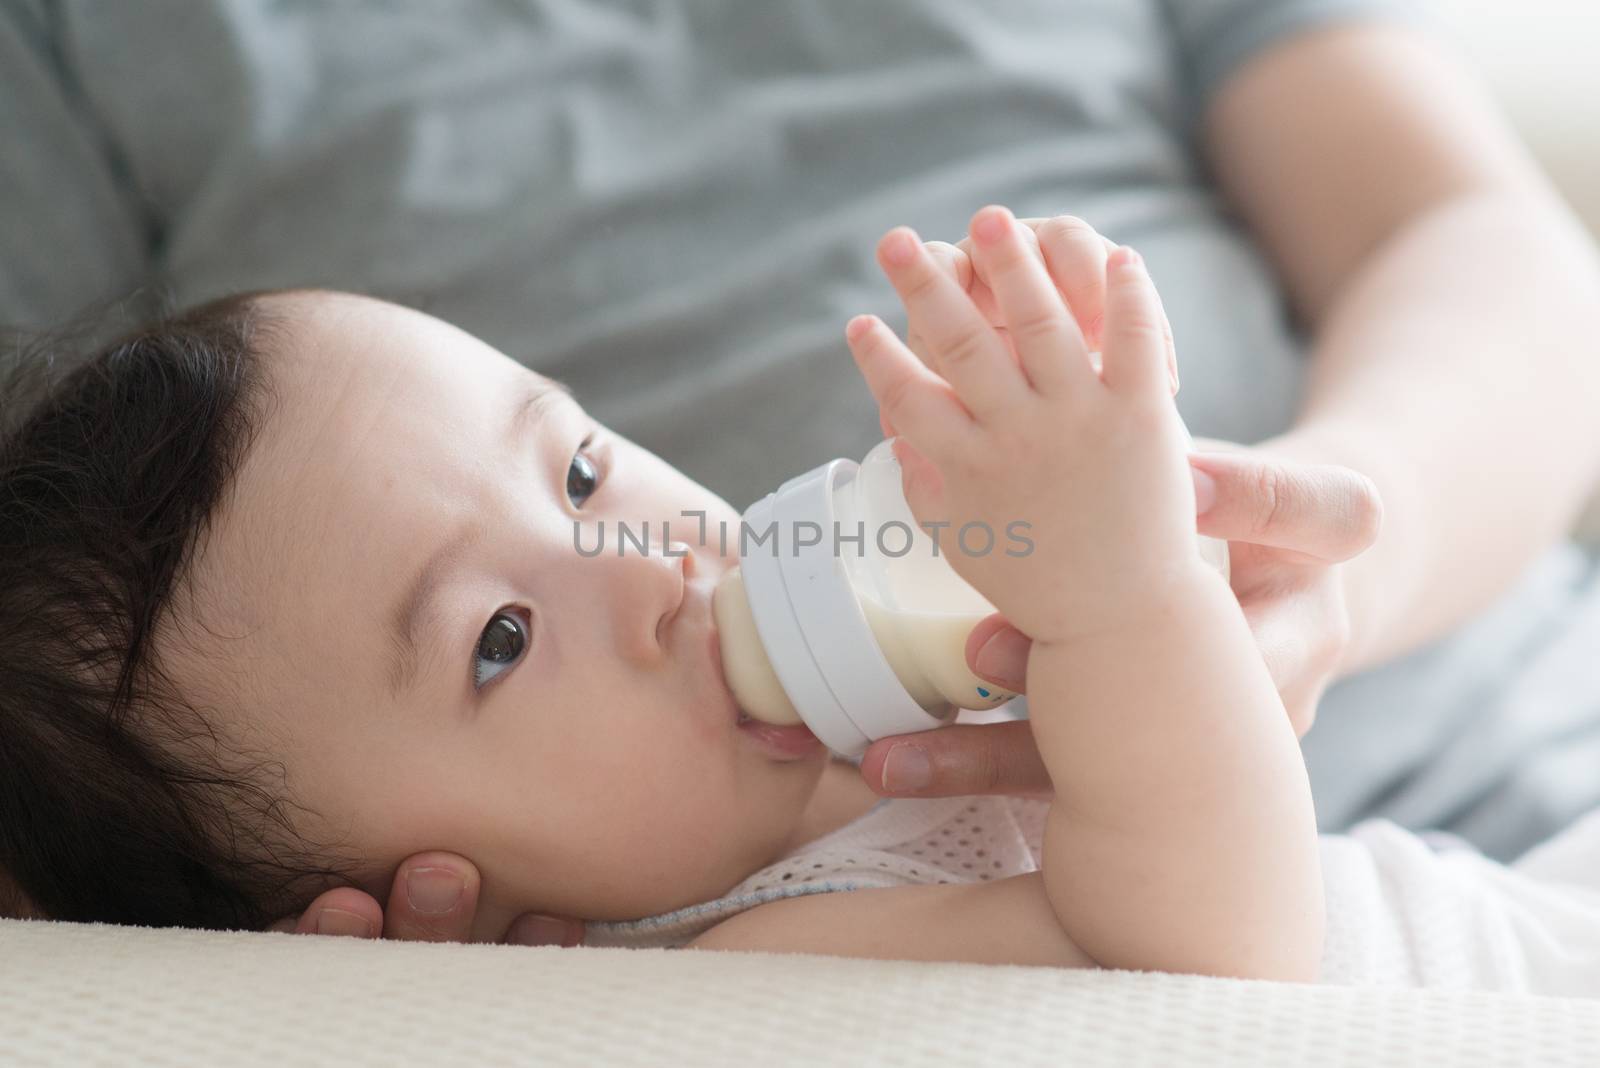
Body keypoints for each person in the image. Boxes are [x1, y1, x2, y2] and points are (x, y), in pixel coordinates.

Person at [3, 1, 1599, 948]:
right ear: (414, 899)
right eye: (501, 636)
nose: (649, 561)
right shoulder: (792, 931)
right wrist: (1126, 605)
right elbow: (1206, 952)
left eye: (576, 470)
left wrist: (1274, 559)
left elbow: (1471, 232)